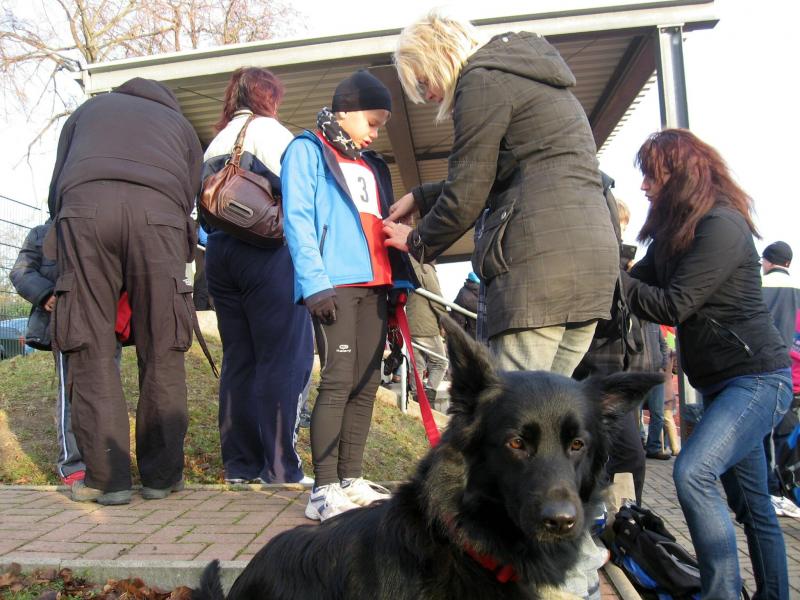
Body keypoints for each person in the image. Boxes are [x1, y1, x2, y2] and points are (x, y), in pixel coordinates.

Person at [385, 10, 618, 378]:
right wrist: (422, 196)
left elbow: (467, 192)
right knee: (550, 404)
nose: (427, 95)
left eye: (424, 80)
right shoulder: (535, 78)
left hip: (538, 270)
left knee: (510, 406)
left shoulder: (481, 80)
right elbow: (508, 169)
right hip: (593, 265)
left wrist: (417, 240)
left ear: (440, 55)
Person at [622, 129, 792, 599]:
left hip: (758, 379)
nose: (644, 186)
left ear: (681, 173)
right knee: (753, 506)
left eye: (651, 176)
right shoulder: (674, 235)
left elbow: (673, 304)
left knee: (693, 473)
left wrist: (617, 280)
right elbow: (634, 282)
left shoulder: (722, 225)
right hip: (723, 385)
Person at [46, 77, 203, 505]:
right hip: (160, 217)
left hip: (85, 213)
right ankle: (161, 477)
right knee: (163, 344)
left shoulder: (86, 112)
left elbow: (57, 187)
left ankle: (106, 479)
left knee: (89, 345)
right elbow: (190, 192)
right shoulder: (180, 124)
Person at [281, 70, 416, 521]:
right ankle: (322, 490)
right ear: (346, 110)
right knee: (338, 380)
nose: (376, 133)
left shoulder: (372, 164)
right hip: (333, 285)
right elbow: (297, 219)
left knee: (366, 382)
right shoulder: (307, 150)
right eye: (372, 122)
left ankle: (349, 478)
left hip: (377, 285)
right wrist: (314, 282)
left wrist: (398, 281)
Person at [201, 67, 314, 485]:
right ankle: (281, 467)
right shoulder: (272, 133)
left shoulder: (215, 142)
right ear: (270, 98)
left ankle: (240, 465)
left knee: (239, 359)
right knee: (282, 357)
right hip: (267, 253)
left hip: (219, 256)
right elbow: (303, 196)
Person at [759, 241, 800, 517]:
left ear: (768, 261)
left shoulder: (759, 285)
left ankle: (771, 490)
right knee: (788, 432)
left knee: (762, 433)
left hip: (762, 366)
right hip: (792, 372)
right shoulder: (797, 287)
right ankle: (789, 488)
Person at [405, 257, 448, 407]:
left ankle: (416, 397)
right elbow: (436, 298)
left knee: (417, 364)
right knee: (440, 362)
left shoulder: (409, 267)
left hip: (411, 322)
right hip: (426, 323)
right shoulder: (425, 269)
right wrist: (444, 320)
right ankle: (428, 397)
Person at [451, 272, 479, 339]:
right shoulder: (491, 288)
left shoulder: (463, 293)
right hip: (494, 332)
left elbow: (459, 321)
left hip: (474, 336)